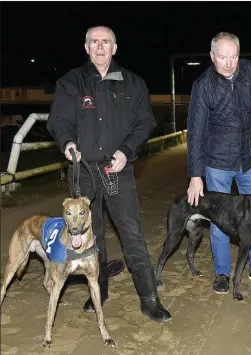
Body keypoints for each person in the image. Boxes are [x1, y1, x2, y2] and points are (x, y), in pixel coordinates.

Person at [47, 26, 171, 322]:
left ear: (114, 48)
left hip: (118, 170)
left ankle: (149, 298)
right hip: (83, 171)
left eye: (105, 42)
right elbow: (58, 121)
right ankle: (98, 292)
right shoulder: (70, 83)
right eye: (94, 42)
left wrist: (126, 150)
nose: (100, 47)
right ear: (86, 47)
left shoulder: (134, 83)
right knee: (92, 237)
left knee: (131, 234)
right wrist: (68, 143)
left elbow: (145, 122)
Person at [186, 32, 251, 294]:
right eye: (223, 57)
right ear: (213, 56)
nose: (229, 63)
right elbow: (196, 131)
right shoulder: (203, 86)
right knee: (220, 219)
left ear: (240, 54)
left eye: (234, 57)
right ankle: (223, 273)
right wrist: (195, 174)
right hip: (218, 161)